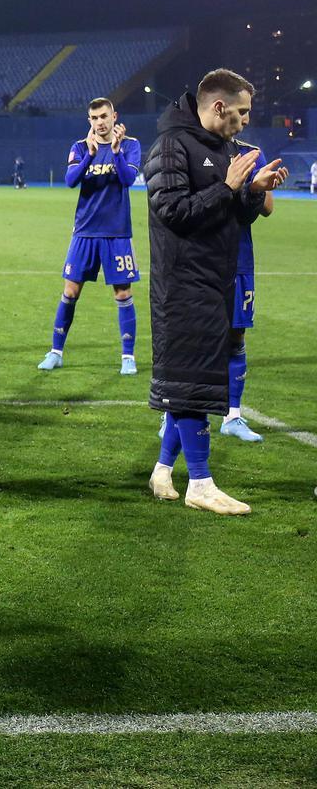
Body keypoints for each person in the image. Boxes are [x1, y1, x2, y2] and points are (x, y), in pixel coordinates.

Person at [145, 68, 287, 516]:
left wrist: (251, 192)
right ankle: (201, 484)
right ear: (219, 106)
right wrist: (227, 186)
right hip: (182, 283)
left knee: (195, 381)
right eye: (241, 112)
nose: (245, 121)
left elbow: (233, 216)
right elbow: (172, 210)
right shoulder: (171, 145)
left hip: (215, 279)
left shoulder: (223, 147)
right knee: (191, 384)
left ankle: (163, 470)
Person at [36, 98, 142, 375]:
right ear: (89, 121)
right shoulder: (81, 147)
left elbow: (127, 180)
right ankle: (56, 352)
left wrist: (116, 152)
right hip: (85, 231)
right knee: (70, 292)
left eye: (104, 116)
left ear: (114, 116)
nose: (100, 122)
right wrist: (90, 156)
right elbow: (70, 180)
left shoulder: (130, 145)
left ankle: (128, 357)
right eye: (94, 118)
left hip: (117, 232)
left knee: (123, 293)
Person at [218, 140, 274, 441]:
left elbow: (267, 208)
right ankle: (173, 415)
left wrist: (257, 186)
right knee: (193, 338)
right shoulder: (191, 146)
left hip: (239, 257)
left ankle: (232, 415)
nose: (241, 119)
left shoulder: (252, 152)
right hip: (200, 259)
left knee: (236, 335)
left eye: (244, 116)